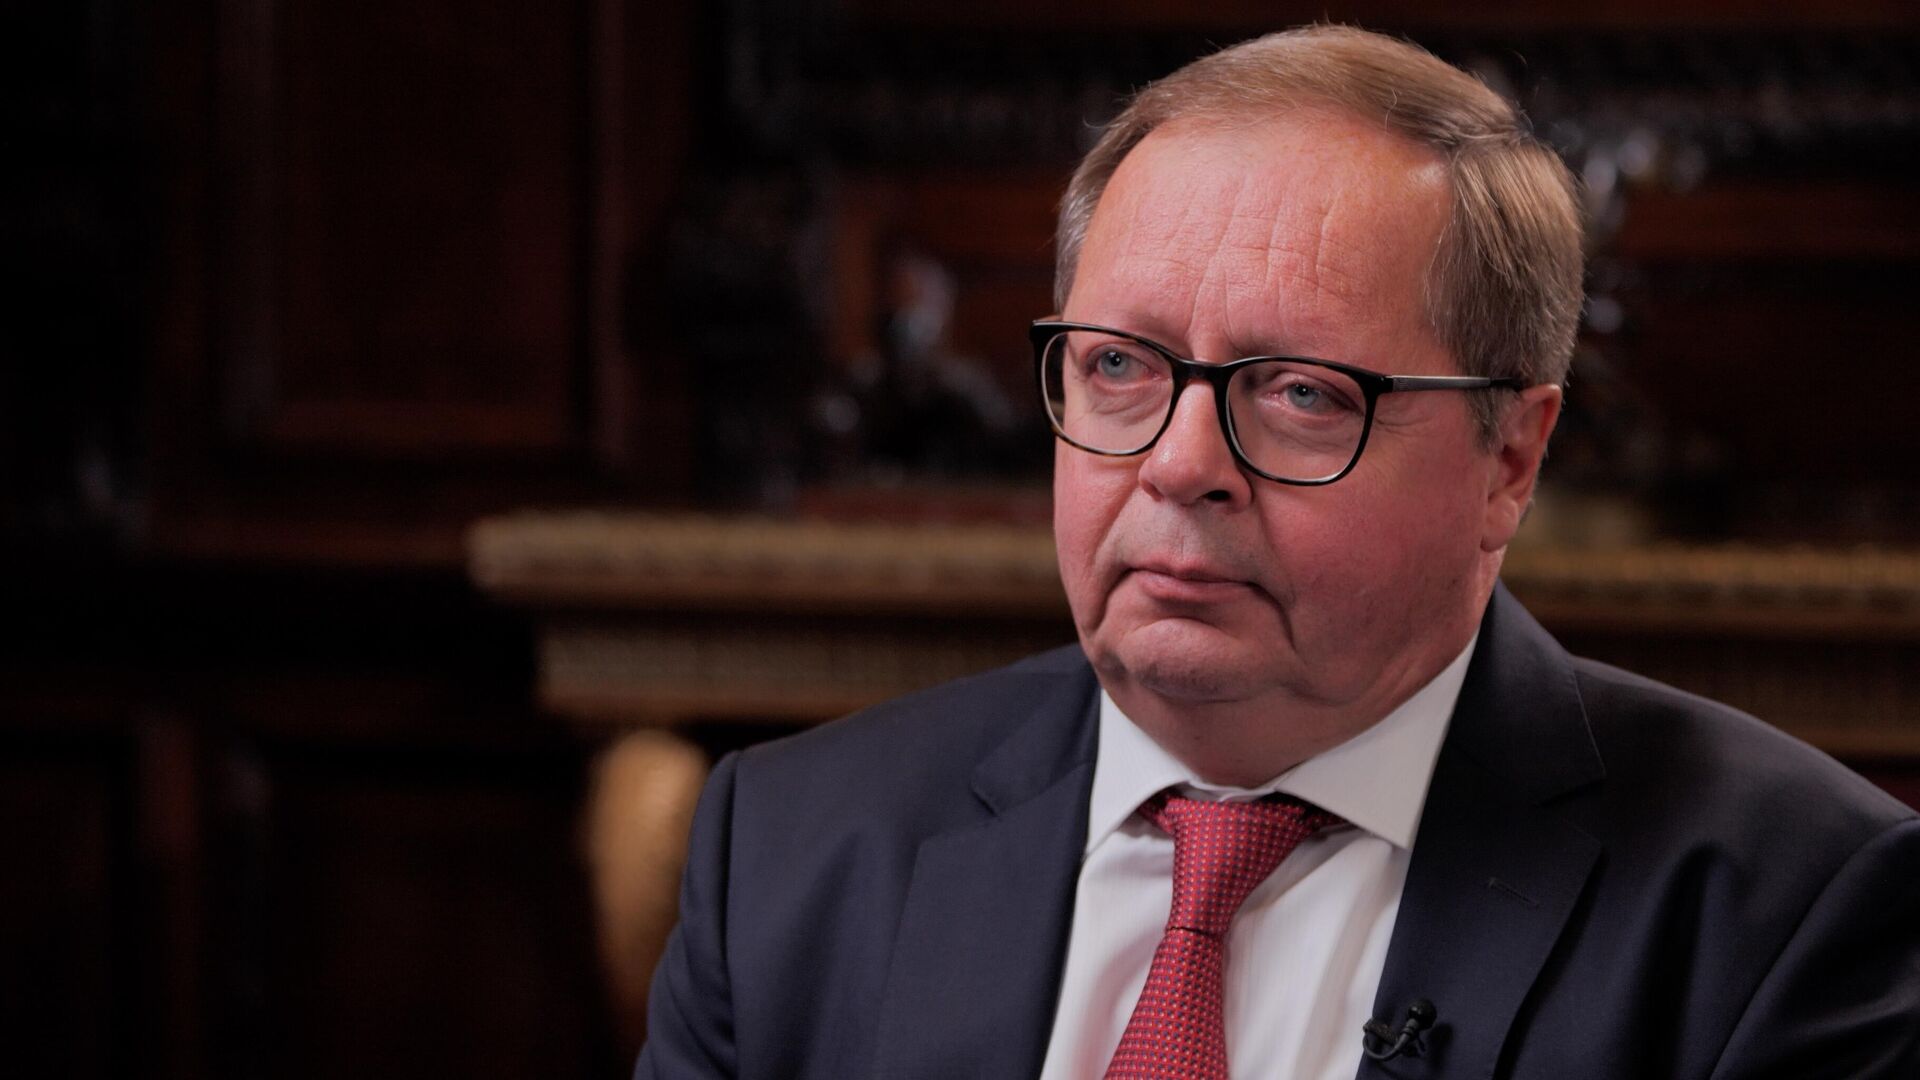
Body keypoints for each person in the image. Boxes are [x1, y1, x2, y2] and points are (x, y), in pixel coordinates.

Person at [636, 25, 1920, 1080]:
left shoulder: (1789, 913)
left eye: (1301, 391)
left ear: (1510, 460)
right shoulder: (793, 854)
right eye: (1119, 368)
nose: (1179, 462)